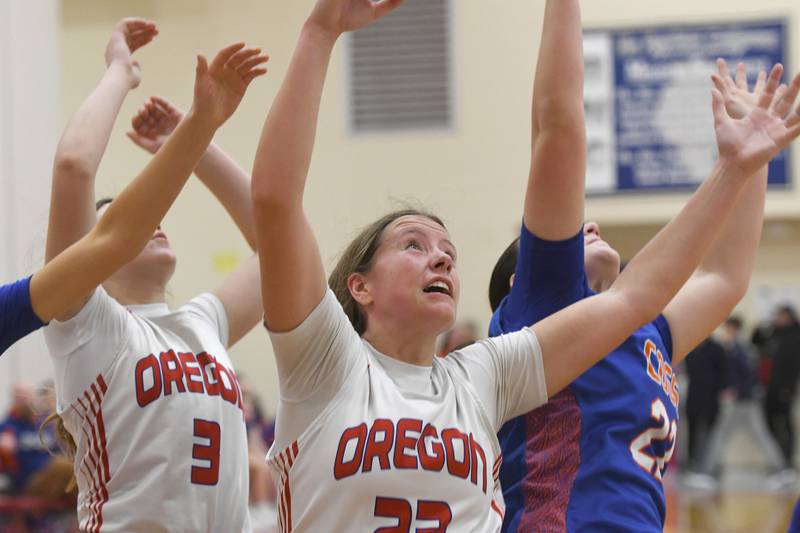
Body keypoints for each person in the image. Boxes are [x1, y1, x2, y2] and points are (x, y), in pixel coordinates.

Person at [249, 0, 800, 530]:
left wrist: (742, 168)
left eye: (448, 250)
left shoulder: (481, 377)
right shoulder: (328, 364)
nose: (440, 254)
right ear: (359, 286)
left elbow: (679, 287)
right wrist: (319, 33)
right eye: (414, 244)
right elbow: (275, 203)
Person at [485, 1, 800, 531]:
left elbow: (724, 279)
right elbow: (558, 127)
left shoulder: (648, 329)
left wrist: (756, 155)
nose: (591, 226)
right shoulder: (543, 308)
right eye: (573, 235)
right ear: (522, 284)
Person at [39, 19, 268, 532]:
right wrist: (121, 70)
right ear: (95, 253)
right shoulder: (86, 325)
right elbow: (75, 166)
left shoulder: (201, 324)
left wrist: (190, 145)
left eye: (152, 213)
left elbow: (278, 247)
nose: (152, 218)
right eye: (124, 217)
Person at [698, 317, 786, 480]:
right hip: (743, 401)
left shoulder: (740, 349)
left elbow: (747, 375)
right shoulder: (738, 348)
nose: (726, 332)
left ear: (735, 329)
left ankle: (707, 472)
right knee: (726, 435)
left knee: (732, 435)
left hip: (743, 402)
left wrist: (734, 390)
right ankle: (708, 471)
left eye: (728, 328)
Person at [764, 305, 800, 467]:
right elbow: (757, 342)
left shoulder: (794, 337)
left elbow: (792, 367)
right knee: (769, 423)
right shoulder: (774, 334)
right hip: (770, 388)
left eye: (781, 316)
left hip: (785, 389)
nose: (778, 319)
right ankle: (776, 459)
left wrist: (787, 389)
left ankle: (786, 459)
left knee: (785, 425)